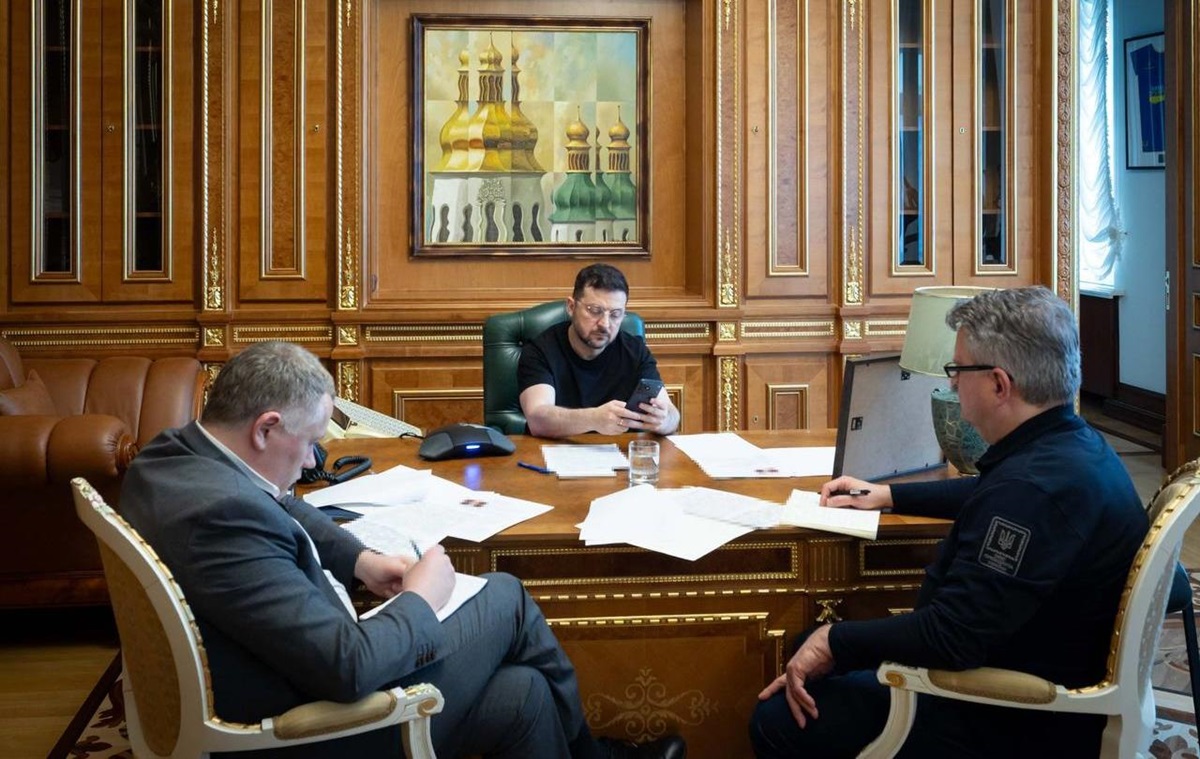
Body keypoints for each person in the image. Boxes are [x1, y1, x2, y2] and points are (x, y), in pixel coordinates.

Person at [120, 341, 686, 759]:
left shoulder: (173, 456)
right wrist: (421, 598)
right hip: (303, 732)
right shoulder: (223, 520)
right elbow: (349, 668)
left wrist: (360, 560)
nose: (313, 460)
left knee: (526, 694)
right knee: (507, 597)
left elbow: (279, 503)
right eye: (312, 441)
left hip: (280, 678)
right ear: (266, 428)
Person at [749, 287, 1148, 758]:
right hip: (1034, 667)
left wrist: (835, 640)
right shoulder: (1069, 446)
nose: (953, 384)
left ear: (999, 384)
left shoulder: (1030, 491)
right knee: (811, 644)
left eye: (958, 369)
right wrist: (889, 495)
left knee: (776, 719)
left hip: (1008, 715)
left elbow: (951, 637)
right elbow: (989, 490)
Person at [518, 263, 680, 438]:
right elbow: (538, 420)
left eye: (615, 314)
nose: (605, 324)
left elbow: (672, 415)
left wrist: (664, 420)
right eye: (595, 311)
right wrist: (593, 418)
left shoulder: (635, 351)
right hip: (554, 450)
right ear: (571, 307)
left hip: (621, 451)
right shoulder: (540, 350)